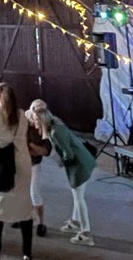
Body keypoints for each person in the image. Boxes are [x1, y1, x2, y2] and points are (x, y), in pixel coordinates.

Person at [29, 99, 97, 246]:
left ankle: (86, 233)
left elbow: (69, 155)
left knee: (79, 198)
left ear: (42, 119)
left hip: (79, 164)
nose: (35, 124)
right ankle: (75, 222)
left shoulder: (54, 132)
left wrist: (61, 161)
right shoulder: (55, 124)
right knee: (77, 195)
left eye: (36, 121)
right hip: (83, 160)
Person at [0, 82, 33, 260]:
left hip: (1, 165)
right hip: (21, 162)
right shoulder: (21, 114)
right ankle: (27, 254)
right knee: (25, 207)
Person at [23, 102, 53, 237]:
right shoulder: (23, 121)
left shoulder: (44, 126)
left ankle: (41, 223)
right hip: (21, 162)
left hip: (34, 164)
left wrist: (32, 147)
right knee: (21, 191)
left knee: (34, 192)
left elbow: (46, 150)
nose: (36, 121)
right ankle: (23, 218)